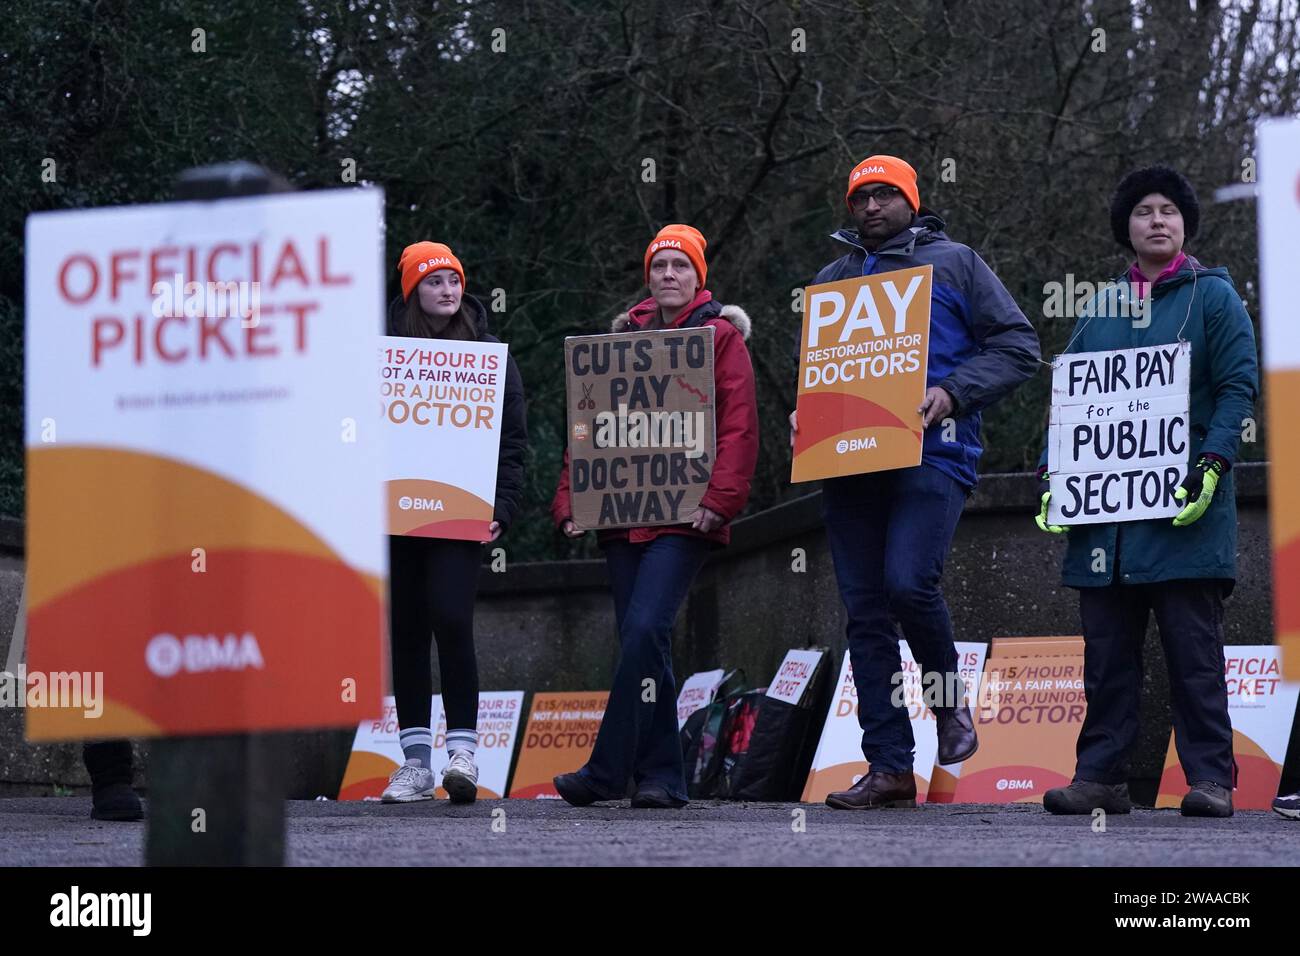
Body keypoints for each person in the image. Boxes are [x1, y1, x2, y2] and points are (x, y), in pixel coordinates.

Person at [791, 155, 1040, 810]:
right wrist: (804, 412)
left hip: (935, 453)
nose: (872, 207)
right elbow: (822, 375)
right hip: (848, 463)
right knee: (866, 613)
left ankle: (950, 708)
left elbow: (1019, 345)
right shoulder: (831, 280)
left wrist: (953, 392)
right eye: (861, 198)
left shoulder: (955, 262)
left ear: (911, 200)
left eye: (885, 195)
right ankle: (890, 768)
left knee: (908, 583)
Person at [1037, 165, 1259, 819]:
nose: (1157, 219)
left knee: (1194, 654)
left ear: (1185, 223)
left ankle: (1211, 779)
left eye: (1168, 210)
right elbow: (1071, 400)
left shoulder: (1215, 298)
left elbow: (1237, 386)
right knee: (1106, 656)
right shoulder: (1099, 309)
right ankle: (1100, 777)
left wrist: (1213, 460)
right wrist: (1055, 476)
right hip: (1103, 523)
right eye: (1143, 211)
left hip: (1184, 509)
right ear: (1125, 229)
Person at [549, 224, 758, 808]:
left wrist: (720, 502)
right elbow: (587, 431)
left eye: (680, 266)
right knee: (646, 646)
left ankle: (606, 772)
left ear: (698, 277)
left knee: (644, 632)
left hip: (684, 518)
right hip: (619, 517)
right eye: (660, 264)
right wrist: (570, 501)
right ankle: (664, 777)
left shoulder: (719, 340)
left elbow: (740, 426)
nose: (668, 274)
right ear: (648, 275)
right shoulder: (617, 344)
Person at [380, 241, 528, 804]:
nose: (447, 290)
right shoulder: (386, 355)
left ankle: (462, 752)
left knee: (451, 616)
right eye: (433, 281)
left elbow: (512, 443)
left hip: (462, 515)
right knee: (408, 630)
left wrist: (502, 509)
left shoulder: (491, 355)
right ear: (413, 290)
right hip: (395, 518)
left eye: (453, 280)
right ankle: (415, 763)